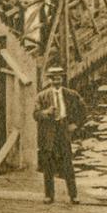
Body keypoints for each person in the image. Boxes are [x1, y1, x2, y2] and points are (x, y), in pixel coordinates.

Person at [35, 65, 87, 203]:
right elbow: (35, 114)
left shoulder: (71, 94)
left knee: (68, 165)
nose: (56, 81)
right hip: (49, 133)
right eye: (53, 78)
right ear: (50, 80)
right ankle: (49, 195)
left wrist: (75, 124)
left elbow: (83, 111)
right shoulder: (42, 96)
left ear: (62, 79)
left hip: (63, 131)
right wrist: (46, 113)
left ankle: (73, 195)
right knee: (48, 165)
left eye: (59, 77)